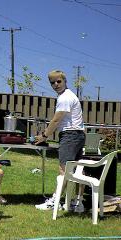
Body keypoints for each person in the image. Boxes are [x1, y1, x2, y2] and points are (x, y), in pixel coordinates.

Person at [34, 70, 86, 211]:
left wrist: (44, 136)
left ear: (64, 81)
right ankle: (78, 203)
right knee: (77, 171)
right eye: (52, 82)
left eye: (58, 81)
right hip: (78, 135)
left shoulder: (64, 98)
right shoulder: (69, 95)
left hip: (70, 136)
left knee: (64, 170)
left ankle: (54, 202)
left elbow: (56, 120)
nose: (56, 84)